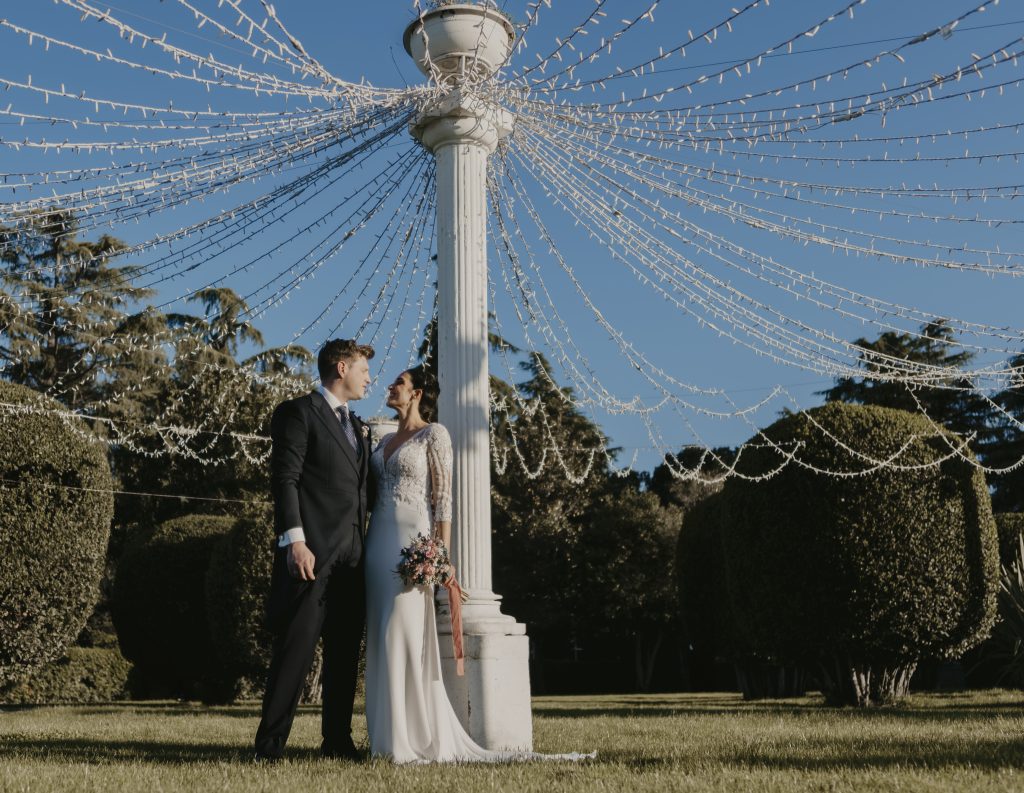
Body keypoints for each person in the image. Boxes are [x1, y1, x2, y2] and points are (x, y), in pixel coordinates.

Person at [363, 365, 594, 764]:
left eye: (398, 383)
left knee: (402, 636)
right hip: (375, 546)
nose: (390, 386)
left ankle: (408, 739)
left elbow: (443, 500)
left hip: (409, 551)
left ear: (417, 393)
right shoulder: (380, 440)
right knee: (381, 638)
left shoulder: (434, 435)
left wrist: (439, 557)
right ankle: (383, 738)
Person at [254, 339, 374, 762]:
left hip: (352, 561)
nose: (369, 379)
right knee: (295, 652)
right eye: (363, 370)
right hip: (311, 556)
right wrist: (295, 541)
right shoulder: (298, 413)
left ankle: (337, 741)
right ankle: (268, 747)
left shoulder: (358, 427)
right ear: (341, 368)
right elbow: (285, 479)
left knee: (343, 657)